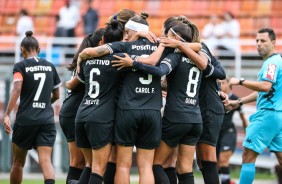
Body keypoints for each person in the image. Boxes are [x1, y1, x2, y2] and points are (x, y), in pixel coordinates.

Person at [3, 31, 61, 184]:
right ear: (39, 50)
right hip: (46, 120)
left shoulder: (20, 66)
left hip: (26, 119)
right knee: (46, 160)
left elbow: (16, 89)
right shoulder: (50, 66)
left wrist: (7, 114)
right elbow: (57, 94)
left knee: (18, 162)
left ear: (22, 49)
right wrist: (46, 102)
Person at [226, 28, 282, 184]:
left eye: (263, 41)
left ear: (273, 43)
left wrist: (241, 81)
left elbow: (265, 87)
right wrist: (239, 102)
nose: (258, 44)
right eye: (257, 41)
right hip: (277, 116)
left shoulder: (271, 63)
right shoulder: (276, 61)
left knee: (248, 155)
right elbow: (264, 92)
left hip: (266, 116)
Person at [59, 28, 105, 184]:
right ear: (101, 43)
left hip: (73, 110)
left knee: (83, 162)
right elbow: (71, 85)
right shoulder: (88, 60)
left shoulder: (85, 57)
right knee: (79, 162)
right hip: (73, 112)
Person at [217, 78, 248, 184]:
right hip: (215, 133)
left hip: (228, 132)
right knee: (215, 164)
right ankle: (229, 181)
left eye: (223, 82)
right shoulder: (214, 97)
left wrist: (248, 136)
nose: (220, 84)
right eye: (218, 82)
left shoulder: (235, 99)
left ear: (229, 85)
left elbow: (243, 119)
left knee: (223, 160)